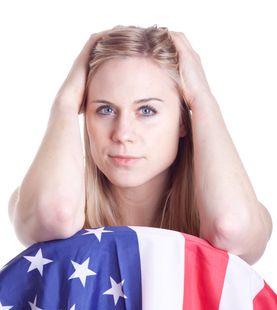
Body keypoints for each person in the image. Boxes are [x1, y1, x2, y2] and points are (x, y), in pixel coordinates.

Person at [8, 25, 272, 265]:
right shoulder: (45, 194)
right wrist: (64, 104)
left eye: (146, 110)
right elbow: (56, 215)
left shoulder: (230, 203)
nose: (123, 134)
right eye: (106, 109)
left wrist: (203, 100)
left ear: (182, 120)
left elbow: (230, 228)